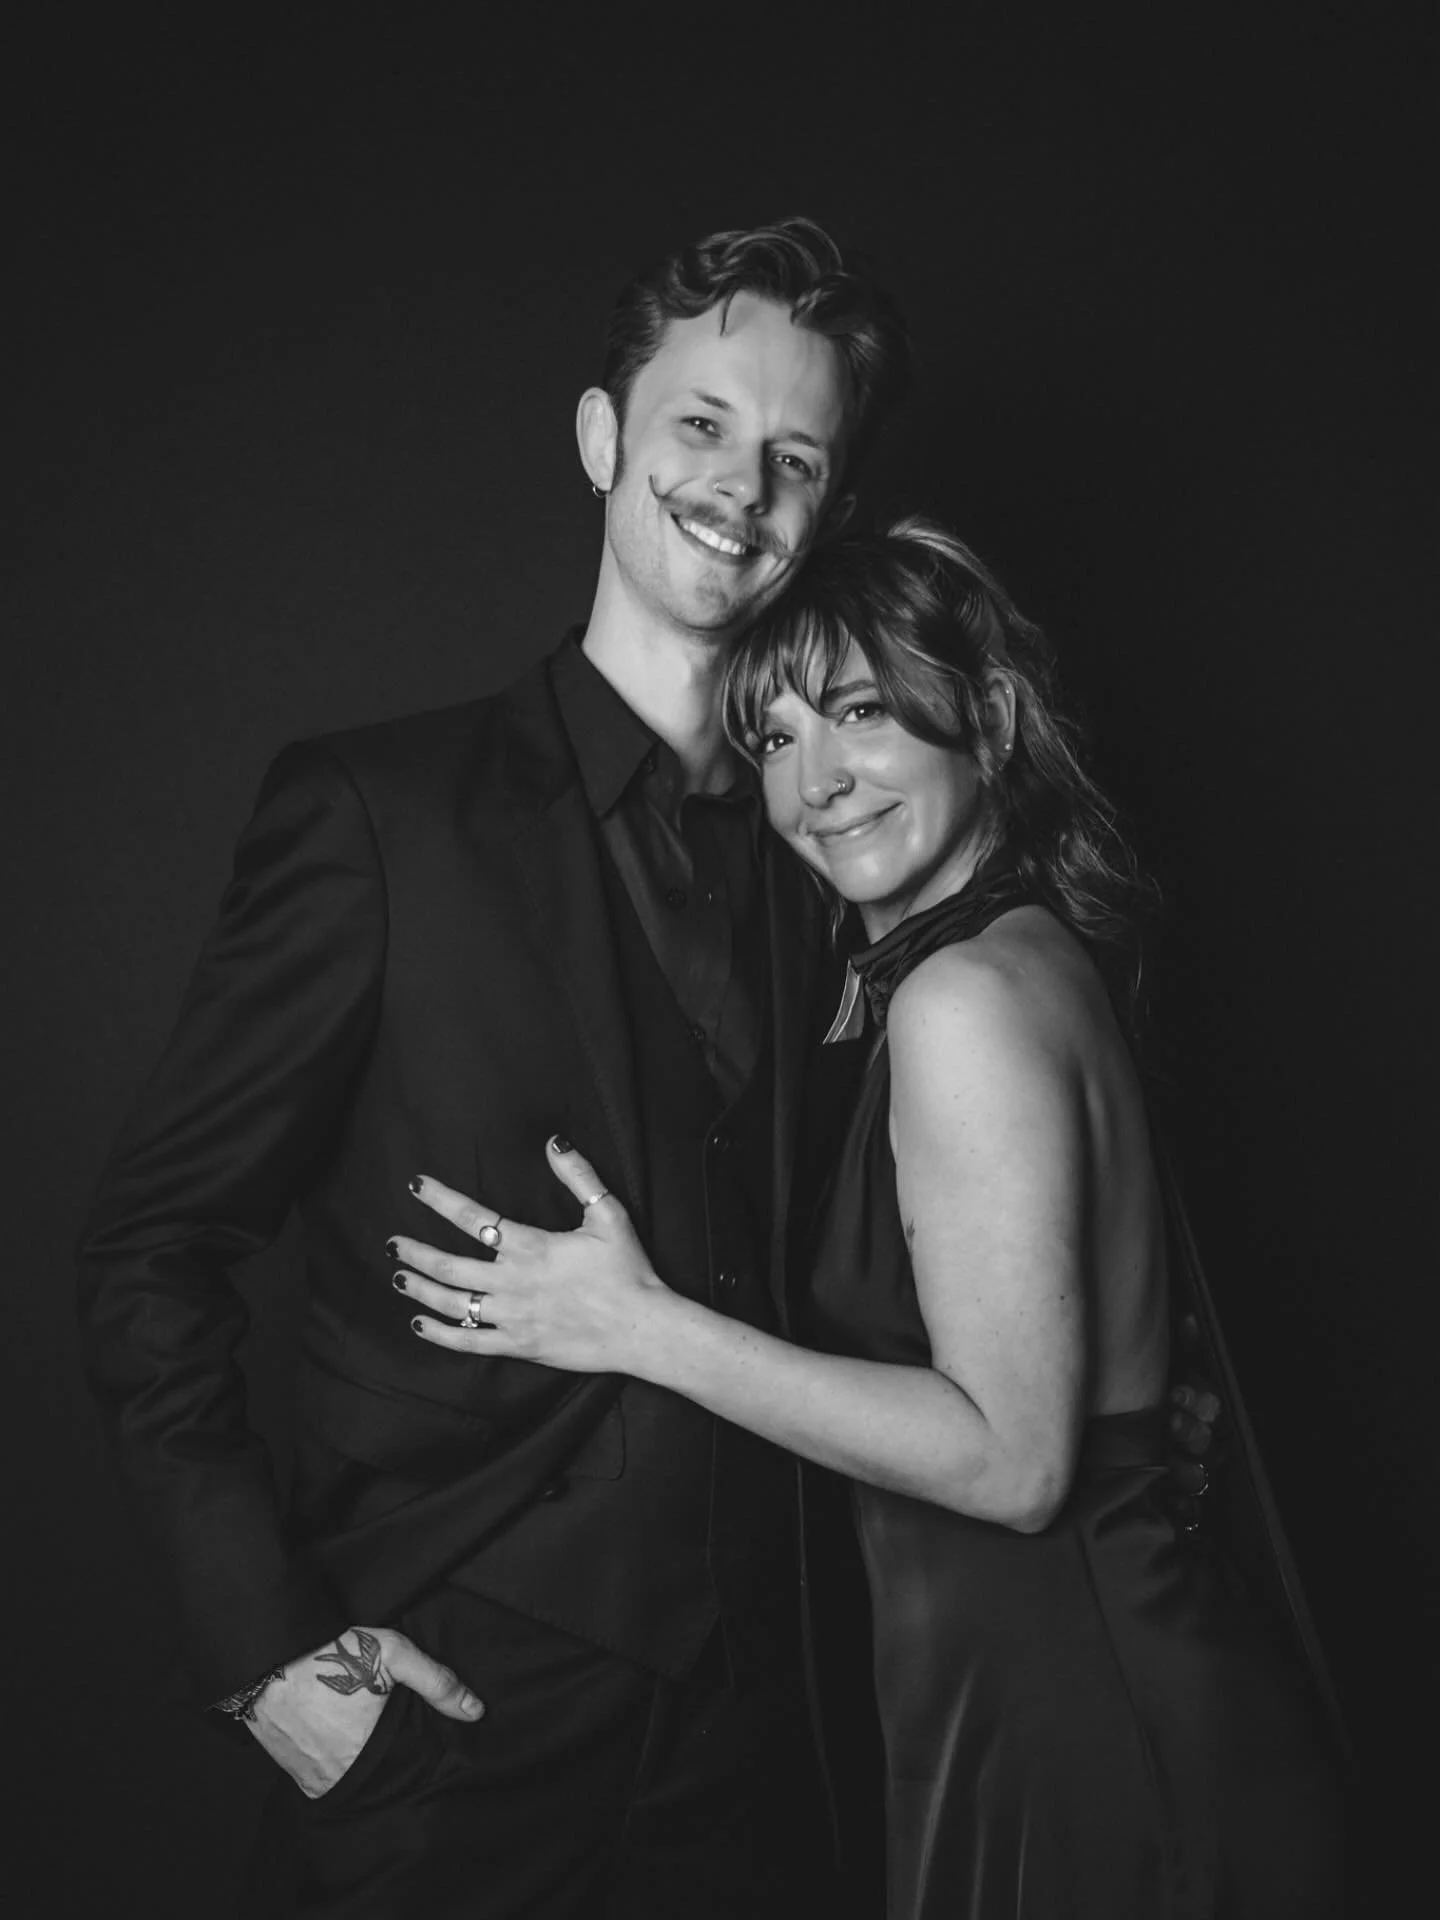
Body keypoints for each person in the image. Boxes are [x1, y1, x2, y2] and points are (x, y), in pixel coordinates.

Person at [76, 217, 912, 1918]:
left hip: (778, 1749)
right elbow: (149, 1253)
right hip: (453, 1724)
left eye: (796, 458)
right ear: (604, 438)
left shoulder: (831, 852)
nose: (742, 488)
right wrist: (271, 1659)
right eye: (701, 425)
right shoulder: (376, 818)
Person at [393, 519, 1344, 1917]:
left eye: (854, 711)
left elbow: (1016, 1464)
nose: (813, 782)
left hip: (1091, 1734)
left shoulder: (962, 1003)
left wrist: (637, 1327)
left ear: (989, 714)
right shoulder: (1004, 956)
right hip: (1043, 1700)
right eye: (772, 736)